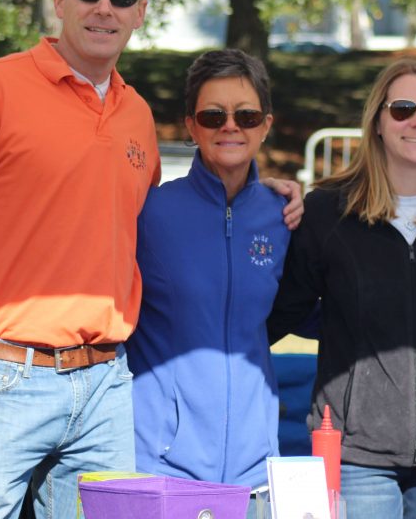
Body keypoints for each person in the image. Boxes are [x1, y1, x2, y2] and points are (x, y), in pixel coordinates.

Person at [0, 0, 301, 519]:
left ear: (141, 12)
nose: (105, 7)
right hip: (2, 374)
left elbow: (153, 229)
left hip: (106, 383)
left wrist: (260, 193)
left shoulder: (135, 115)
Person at [267, 58, 416, 519]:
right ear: (376, 120)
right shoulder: (327, 212)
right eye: (404, 108)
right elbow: (278, 314)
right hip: (355, 455)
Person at [127, 49, 290, 513]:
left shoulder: (284, 217)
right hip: (163, 467)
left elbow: (316, 306)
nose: (230, 126)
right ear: (191, 126)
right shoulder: (150, 212)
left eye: (247, 115)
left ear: (266, 124)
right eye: (213, 115)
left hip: (256, 474)